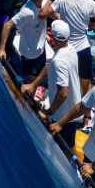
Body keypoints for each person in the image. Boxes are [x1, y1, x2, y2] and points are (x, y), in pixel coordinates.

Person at [22, 20, 83, 149]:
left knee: (62, 151)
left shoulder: (59, 60)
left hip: (64, 116)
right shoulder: (70, 48)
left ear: (53, 38)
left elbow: (63, 93)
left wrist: (49, 112)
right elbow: (50, 64)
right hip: (73, 109)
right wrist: (33, 84)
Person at [45, 0, 95, 92]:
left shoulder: (62, 0)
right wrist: (90, 25)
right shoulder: (91, 3)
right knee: (85, 80)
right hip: (83, 48)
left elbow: (46, 12)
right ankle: (83, 106)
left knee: (64, 80)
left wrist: (59, 18)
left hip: (65, 48)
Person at [0, 0, 50, 82]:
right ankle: (30, 92)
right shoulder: (26, 12)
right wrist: (2, 49)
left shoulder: (40, 2)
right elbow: (7, 25)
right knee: (32, 78)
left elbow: (48, 4)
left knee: (41, 72)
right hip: (30, 53)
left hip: (41, 48)